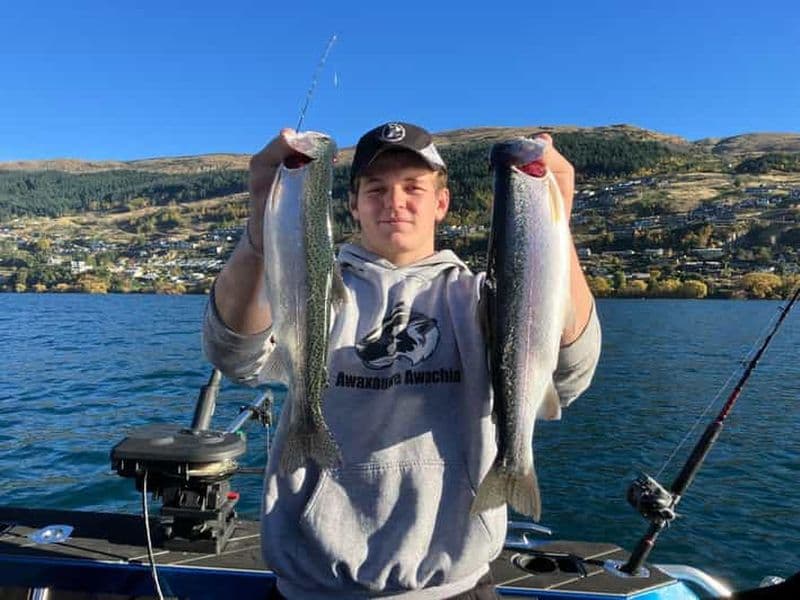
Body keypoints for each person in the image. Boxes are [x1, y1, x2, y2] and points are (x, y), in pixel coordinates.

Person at [203, 122, 601, 599]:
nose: (394, 201)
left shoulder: (479, 297)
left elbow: (570, 372)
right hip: (314, 588)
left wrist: (555, 219)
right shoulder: (314, 288)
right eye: (376, 189)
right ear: (352, 204)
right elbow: (235, 354)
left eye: (413, 187)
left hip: (455, 588)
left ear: (441, 203)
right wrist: (265, 222)